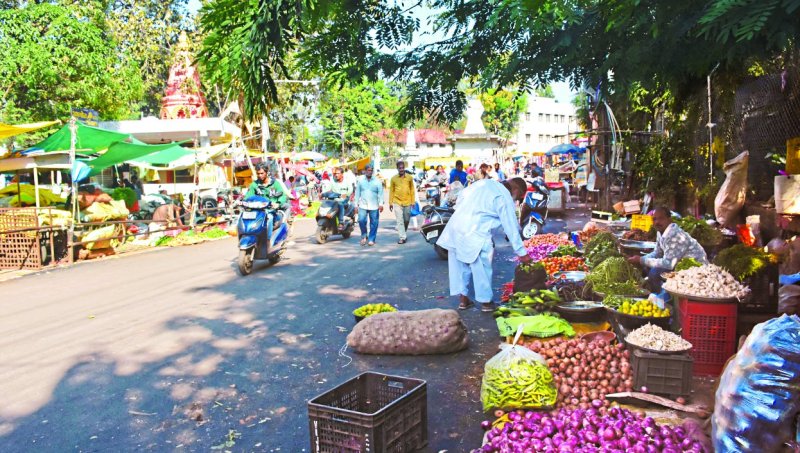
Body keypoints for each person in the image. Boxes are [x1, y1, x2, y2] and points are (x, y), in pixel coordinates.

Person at [437, 177, 532, 312]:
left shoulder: (484, 183)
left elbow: (460, 199)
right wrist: (522, 253)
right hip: (476, 231)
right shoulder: (503, 195)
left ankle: (463, 300)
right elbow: (510, 225)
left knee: (461, 266)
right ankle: (486, 303)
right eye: (518, 197)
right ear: (516, 190)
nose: (516, 200)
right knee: (481, 267)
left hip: (457, 226)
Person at [628, 207, 709, 291]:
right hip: (676, 263)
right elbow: (658, 253)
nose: (657, 222)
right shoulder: (660, 232)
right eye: (654, 219)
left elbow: (668, 264)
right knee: (647, 267)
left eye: (661, 218)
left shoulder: (675, 235)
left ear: (669, 220)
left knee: (654, 272)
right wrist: (641, 259)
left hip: (696, 269)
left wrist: (641, 260)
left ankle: (662, 296)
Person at [354, 163, 384, 246]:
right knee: (361, 220)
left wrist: (381, 204)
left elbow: (381, 193)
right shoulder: (361, 181)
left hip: (374, 206)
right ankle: (364, 236)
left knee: (374, 223)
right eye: (368, 170)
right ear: (365, 171)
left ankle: (371, 239)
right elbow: (357, 193)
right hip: (363, 205)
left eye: (371, 170)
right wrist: (356, 205)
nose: (370, 172)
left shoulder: (377, 181)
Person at [389, 161, 415, 244]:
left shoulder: (409, 178)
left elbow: (412, 190)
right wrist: (390, 202)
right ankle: (402, 237)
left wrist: (413, 201)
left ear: (404, 168)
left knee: (406, 220)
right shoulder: (393, 179)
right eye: (399, 168)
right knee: (399, 220)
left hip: (407, 201)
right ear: (397, 168)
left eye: (402, 168)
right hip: (397, 202)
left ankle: (403, 232)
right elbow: (391, 191)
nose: (401, 169)